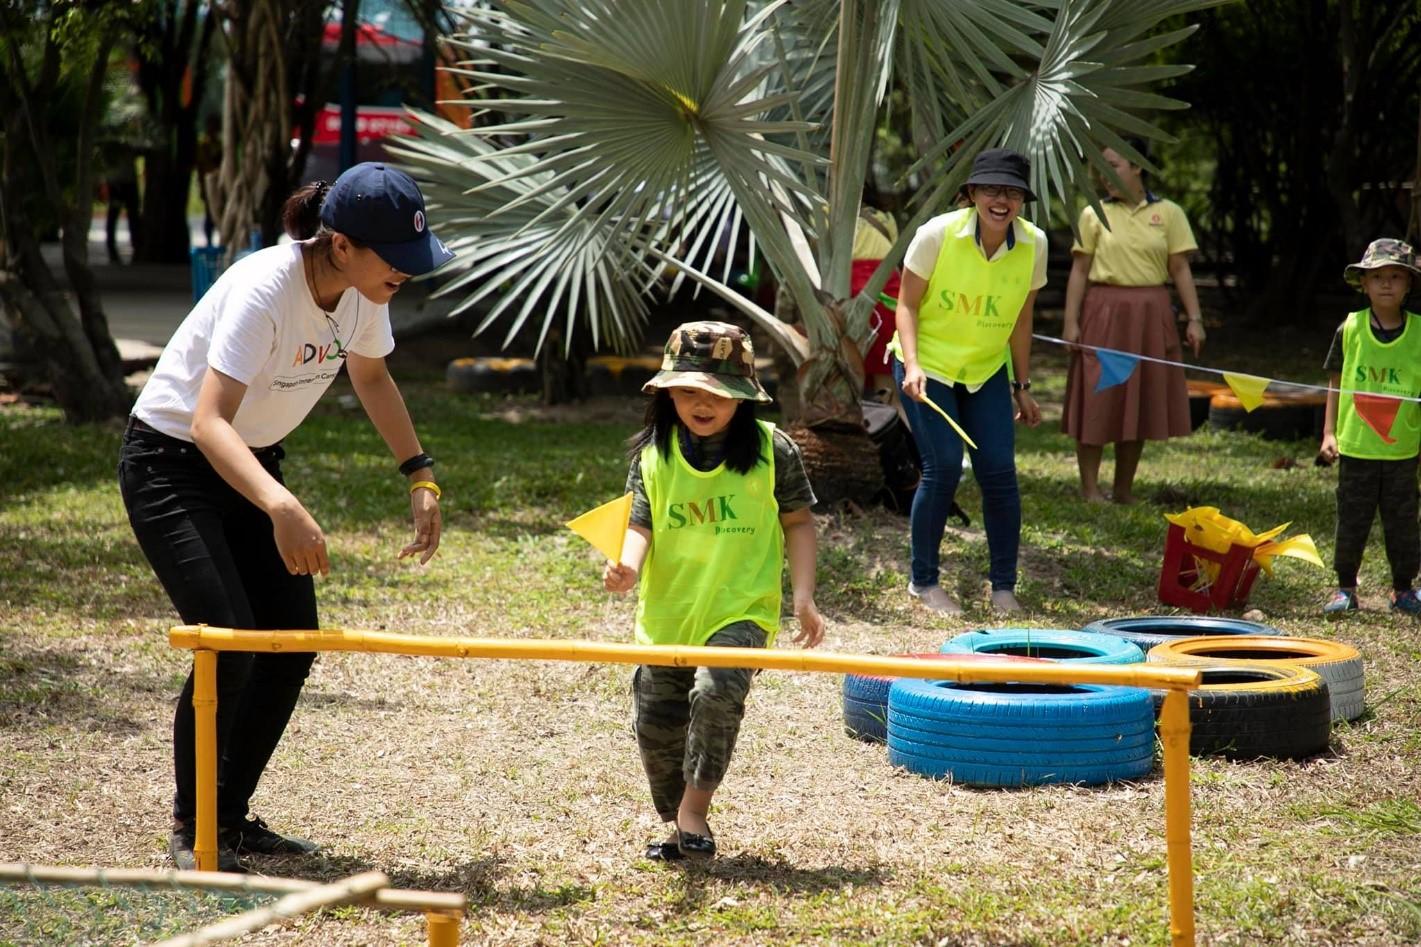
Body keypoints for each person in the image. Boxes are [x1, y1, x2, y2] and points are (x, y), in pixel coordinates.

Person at [118, 162, 455, 872]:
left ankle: (231, 818)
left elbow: (371, 375)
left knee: (290, 642)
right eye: (395, 258)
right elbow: (208, 423)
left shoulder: (367, 290)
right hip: (171, 462)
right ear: (340, 245)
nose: (406, 273)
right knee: (228, 639)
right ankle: (194, 828)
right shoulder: (263, 288)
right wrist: (279, 504)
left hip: (252, 461)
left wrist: (419, 472)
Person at [602, 321, 825, 861]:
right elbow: (639, 524)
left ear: (742, 395)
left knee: (715, 692)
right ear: (666, 394)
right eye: (686, 391)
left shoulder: (775, 450)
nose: (700, 403)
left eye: (715, 393)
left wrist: (802, 597)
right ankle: (678, 823)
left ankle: (695, 809)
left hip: (740, 608)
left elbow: (798, 522)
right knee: (656, 723)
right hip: (670, 612)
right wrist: (626, 567)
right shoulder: (652, 456)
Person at [889, 147, 1046, 615]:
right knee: (942, 468)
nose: (1003, 200)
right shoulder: (937, 234)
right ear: (973, 193)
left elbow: (1021, 319)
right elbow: (906, 306)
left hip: (985, 370)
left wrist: (1023, 386)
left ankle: (1003, 587)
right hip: (927, 365)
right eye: (993, 190)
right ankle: (924, 582)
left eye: (1013, 192)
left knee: (999, 471)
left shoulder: (1034, 243)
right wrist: (912, 364)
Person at [1060, 144, 1204, 504]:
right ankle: (1090, 489)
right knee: (1098, 395)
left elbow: (1180, 269)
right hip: (1103, 310)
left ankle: (1124, 490)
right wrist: (1070, 321)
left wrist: (1194, 319)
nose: (1103, 175)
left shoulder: (1168, 213)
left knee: (1136, 400)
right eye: (1100, 168)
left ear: (1137, 166)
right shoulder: (1093, 213)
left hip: (1150, 313)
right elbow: (1079, 270)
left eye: (1113, 166)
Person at [1318, 238, 1421, 616]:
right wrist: (1329, 433)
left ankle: (1404, 589)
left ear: (1409, 284)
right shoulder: (1350, 328)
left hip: (1403, 451)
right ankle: (1345, 588)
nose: (1387, 284)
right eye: (1377, 277)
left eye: (1396, 276)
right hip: (1356, 447)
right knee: (1352, 521)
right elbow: (1335, 382)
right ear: (1364, 283)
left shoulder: (1420, 333)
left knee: (1404, 524)